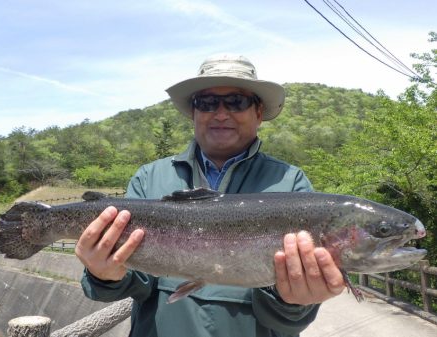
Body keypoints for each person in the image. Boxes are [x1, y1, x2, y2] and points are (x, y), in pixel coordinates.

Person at [75, 54, 345, 337]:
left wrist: (297, 301)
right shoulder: (148, 178)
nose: (220, 113)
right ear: (194, 112)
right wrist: (103, 273)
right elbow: (136, 283)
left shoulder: (291, 184)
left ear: (259, 113)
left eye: (236, 102)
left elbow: (287, 320)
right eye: (206, 103)